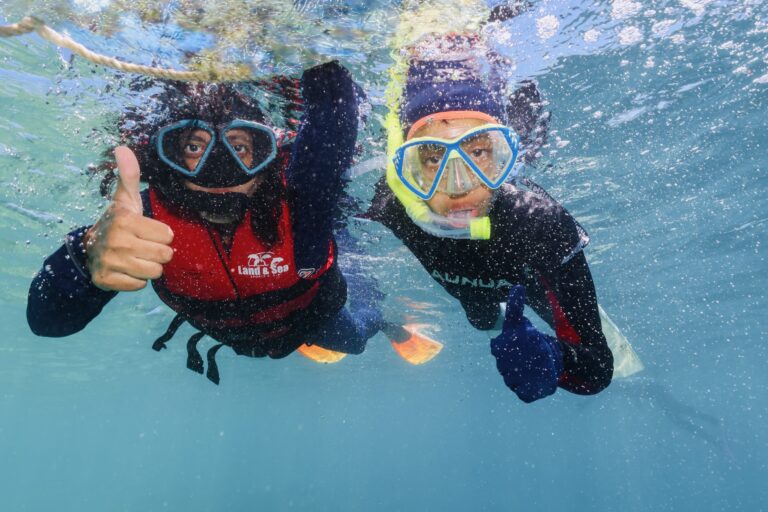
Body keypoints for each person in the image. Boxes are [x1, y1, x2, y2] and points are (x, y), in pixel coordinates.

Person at [26, 61, 399, 383]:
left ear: (266, 154)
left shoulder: (302, 201)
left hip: (315, 320)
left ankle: (383, 322)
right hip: (238, 333)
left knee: (356, 341)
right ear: (168, 155)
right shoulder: (140, 221)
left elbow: (332, 120)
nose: (221, 171)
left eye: (239, 148)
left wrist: (321, 45)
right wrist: (88, 256)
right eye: (193, 147)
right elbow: (46, 322)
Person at [365, 33, 614, 403]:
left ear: (503, 158)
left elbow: (596, 370)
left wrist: (555, 356)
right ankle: (487, 314)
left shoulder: (538, 226)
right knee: (480, 320)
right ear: (410, 169)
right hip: (474, 297)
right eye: (433, 159)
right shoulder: (391, 207)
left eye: (478, 152)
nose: (459, 185)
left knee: (502, 314)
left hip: (528, 284)